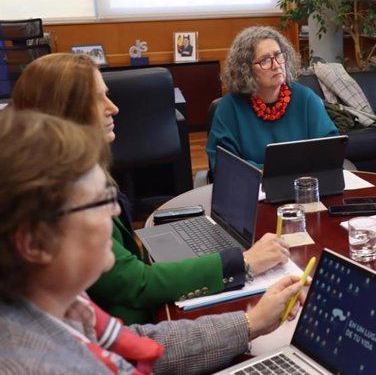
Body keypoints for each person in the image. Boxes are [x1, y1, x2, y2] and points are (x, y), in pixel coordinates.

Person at [0, 108, 306, 374]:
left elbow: (142, 342)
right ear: (34, 243)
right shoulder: (35, 364)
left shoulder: (59, 307)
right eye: (99, 201)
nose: (116, 210)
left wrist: (252, 322)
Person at [11, 53, 290, 324]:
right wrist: (242, 262)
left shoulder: (77, 171)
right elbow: (135, 283)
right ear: (63, 110)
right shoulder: (62, 195)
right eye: (98, 98)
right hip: (135, 326)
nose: (113, 107)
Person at [206, 25, 338, 169]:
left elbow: (330, 149)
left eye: (278, 55)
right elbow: (225, 165)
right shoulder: (229, 108)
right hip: (251, 188)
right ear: (246, 69)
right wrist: (277, 171)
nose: (276, 65)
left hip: (304, 187)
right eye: (264, 60)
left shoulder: (306, 99)